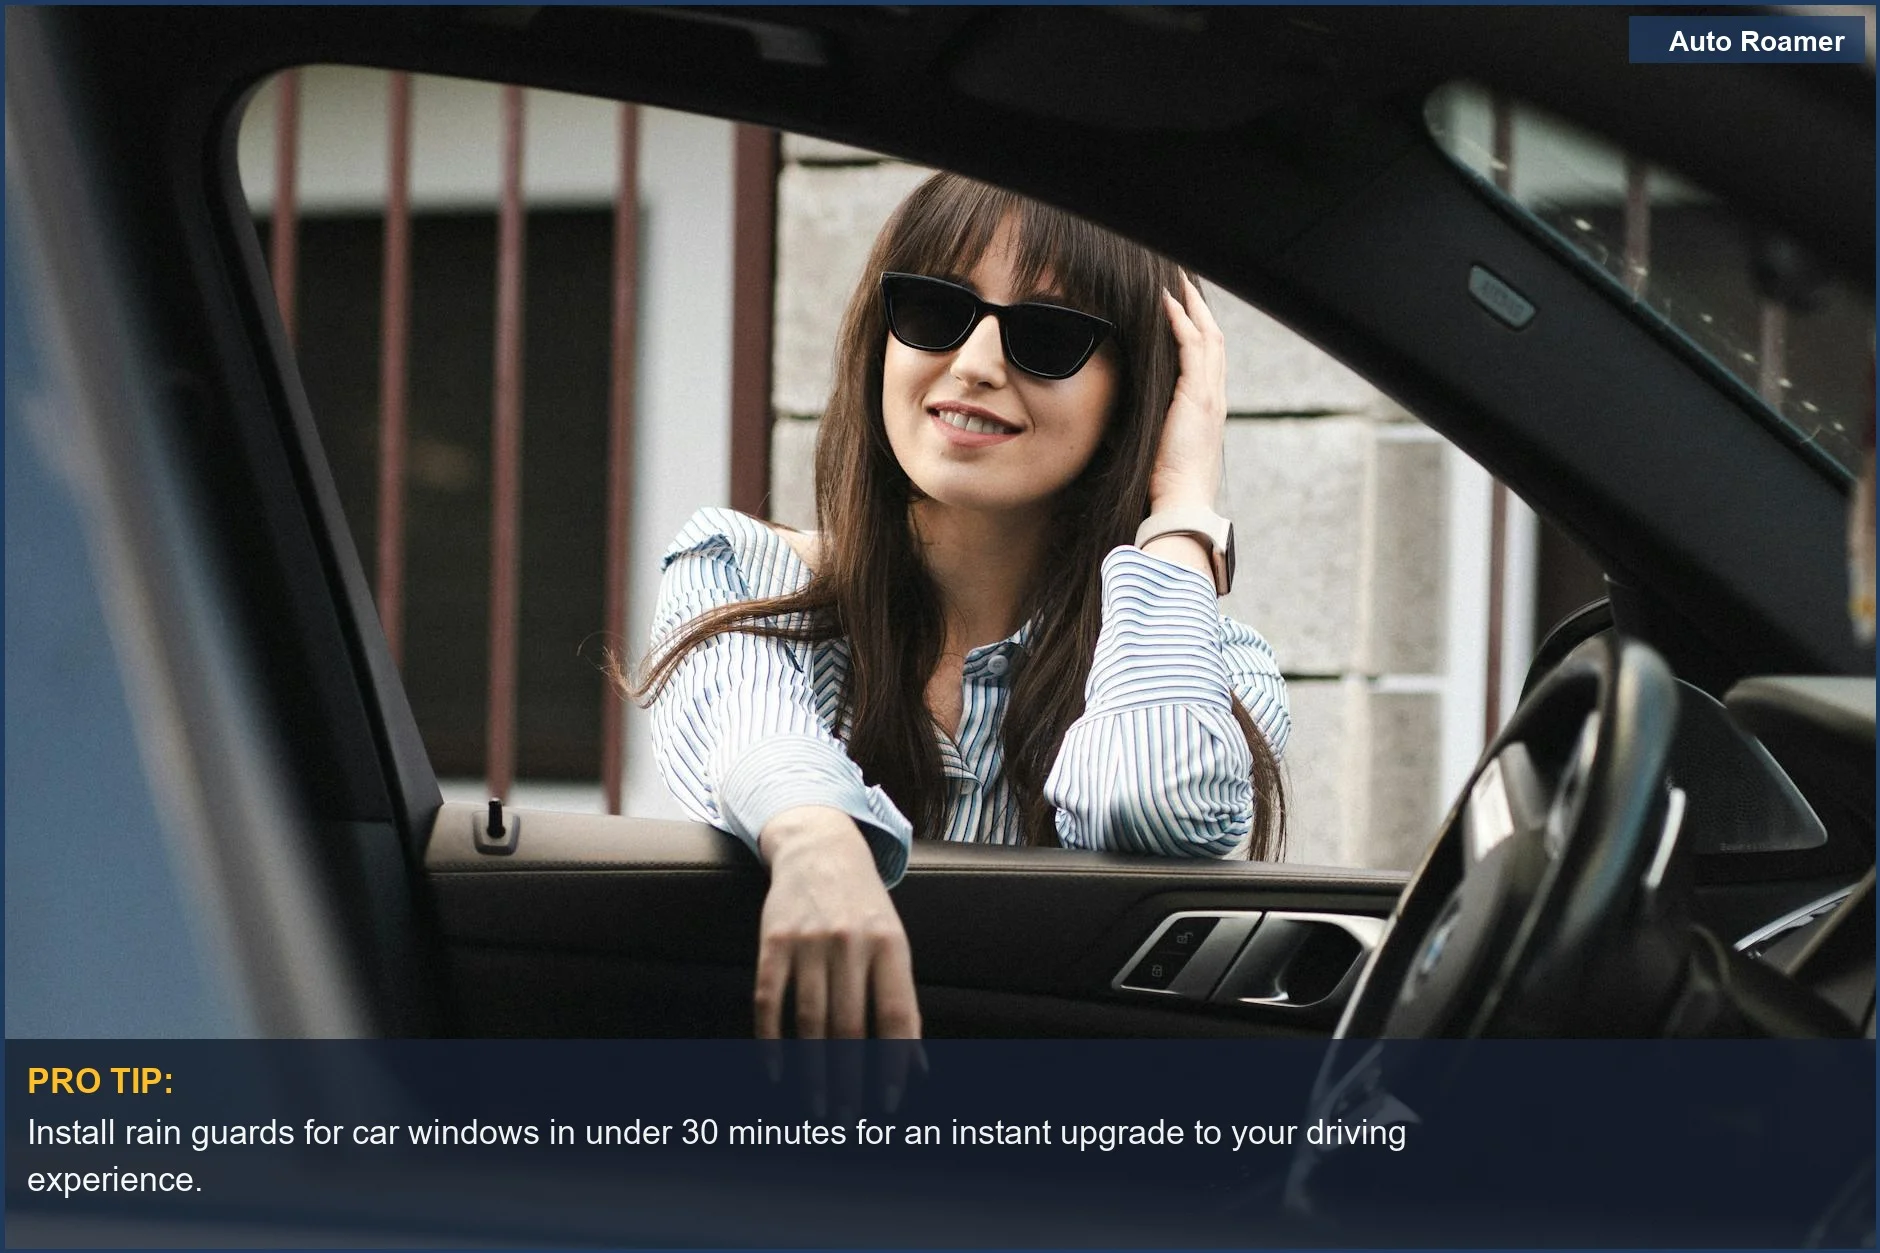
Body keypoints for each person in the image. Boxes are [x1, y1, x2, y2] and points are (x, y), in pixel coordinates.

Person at [630, 172, 1289, 1040]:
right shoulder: (746, 577)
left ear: (1140, 395)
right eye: (936, 310)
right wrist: (820, 843)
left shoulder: (1215, 669)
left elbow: (1156, 801)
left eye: (1048, 335)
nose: (974, 365)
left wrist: (1181, 512)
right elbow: (757, 742)